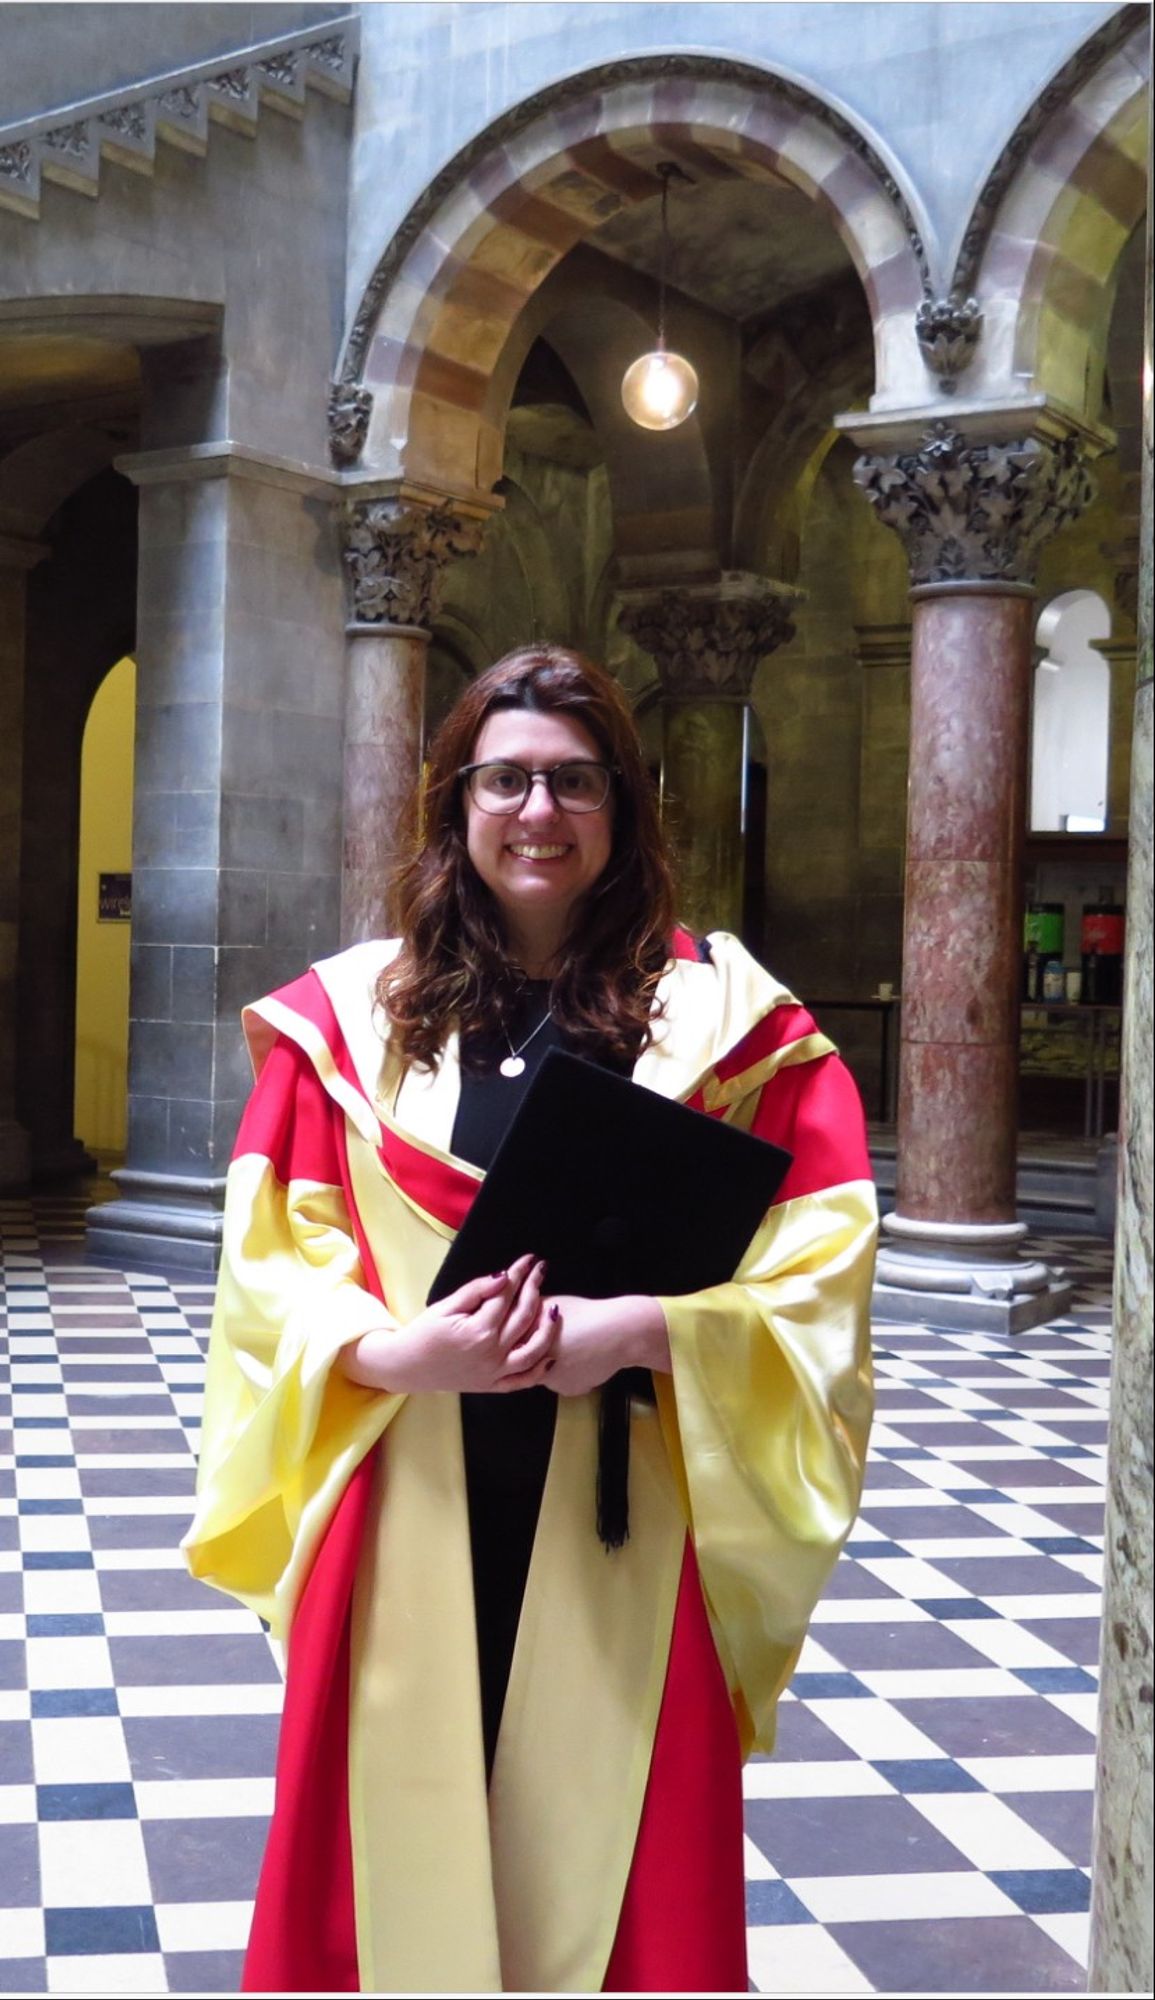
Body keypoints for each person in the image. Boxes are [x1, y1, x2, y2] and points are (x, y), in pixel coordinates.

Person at [183, 644, 878, 1996]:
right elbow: (273, 1270)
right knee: (389, 1862)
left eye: (573, 782)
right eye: (503, 780)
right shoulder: (353, 1021)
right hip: (407, 1490)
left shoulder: (731, 1027)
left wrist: (637, 1334)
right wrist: (400, 1351)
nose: (537, 815)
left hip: (621, 1506)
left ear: (623, 810)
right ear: (457, 803)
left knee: (619, 1870)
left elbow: (817, 1279)